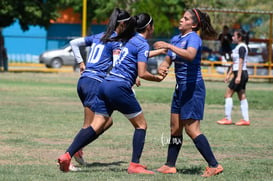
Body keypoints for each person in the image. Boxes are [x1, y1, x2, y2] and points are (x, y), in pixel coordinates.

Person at [57, 13, 166, 174]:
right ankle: (135, 165)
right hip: (117, 86)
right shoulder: (140, 43)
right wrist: (157, 78)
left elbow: (133, 57)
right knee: (141, 125)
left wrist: (163, 51)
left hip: (105, 84)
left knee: (97, 124)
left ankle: (67, 155)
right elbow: (142, 73)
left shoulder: (128, 39)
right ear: (149, 27)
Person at [62, 8, 136, 170]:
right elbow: (117, 65)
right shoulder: (115, 41)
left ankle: (78, 150)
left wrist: (81, 63)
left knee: (106, 121)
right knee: (90, 125)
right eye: (128, 24)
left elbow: (74, 43)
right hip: (94, 82)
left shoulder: (98, 36)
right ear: (122, 24)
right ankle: (70, 156)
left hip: (84, 81)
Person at [153, 8, 223, 177]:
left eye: (185, 18)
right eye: (182, 17)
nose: (181, 20)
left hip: (193, 87)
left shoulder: (194, 39)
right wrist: (164, 65)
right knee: (175, 128)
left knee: (192, 129)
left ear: (193, 24)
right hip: (180, 88)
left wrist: (168, 46)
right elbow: (169, 58)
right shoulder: (176, 39)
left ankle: (214, 165)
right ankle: (170, 165)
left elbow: (190, 55)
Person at [217, 29, 250, 126]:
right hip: (238, 73)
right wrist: (228, 75)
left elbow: (240, 62)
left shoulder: (242, 47)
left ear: (239, 37)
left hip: (241, 73)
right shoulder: (237, 47)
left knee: (228, 94)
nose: (232, 37)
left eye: (234, 36)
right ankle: (246, 120)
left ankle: (227, 118)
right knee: (241, 96)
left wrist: (238, 76)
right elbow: (234, 63)